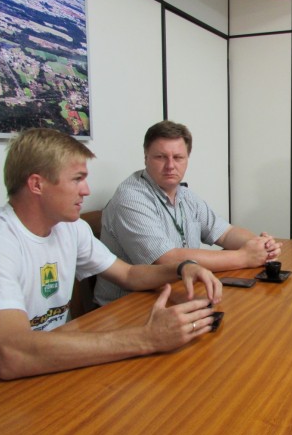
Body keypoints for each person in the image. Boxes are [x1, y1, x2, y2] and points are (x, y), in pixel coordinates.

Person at [0, 128, 223, 380]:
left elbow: (129, 274)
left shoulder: (70, 228)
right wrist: (147, 338)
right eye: (77, 179)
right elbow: (12, 354)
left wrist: (181, 268)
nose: (87, 190)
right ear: (37, 184)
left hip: (53, 365)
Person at [94, 120, 282, 306]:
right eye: (160, 157)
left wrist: (259, 245)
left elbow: (225, 233)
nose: (170, 165)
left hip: (176, 293)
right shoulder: (131, 198)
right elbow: (165, 260)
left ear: (187, 159)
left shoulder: (185, 195)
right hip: (125, 307)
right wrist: (243, 257)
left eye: (178, 157)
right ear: (145, 157)